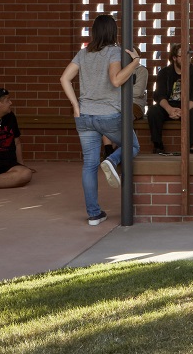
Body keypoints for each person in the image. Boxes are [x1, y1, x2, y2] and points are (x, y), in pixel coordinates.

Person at [59, 13, 142, 225]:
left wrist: (76, 106)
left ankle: (94, 215)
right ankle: (112, 160)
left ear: (94, 32)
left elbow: (64, 78)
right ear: (113, 31)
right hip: (109, 115)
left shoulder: (83, 53)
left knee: (89, 165)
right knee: (132, 145)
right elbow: (116, 81)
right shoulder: (114, 52)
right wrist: (135, 62)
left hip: (84, 116)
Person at [148, 45, 193, 155]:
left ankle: (191, 148)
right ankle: (158, 145)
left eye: (188, 56)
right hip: (170, 106)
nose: (186, 59)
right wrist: (169, 109)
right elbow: (159, 95)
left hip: (189, 105)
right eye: (182, 56)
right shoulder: (164, 73)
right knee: (153, 111)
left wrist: (183, 110)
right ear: (174, 58)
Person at [0, 88, 33, 200]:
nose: (11, 103)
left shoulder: (10, 117)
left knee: (26, 174)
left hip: (8, 164)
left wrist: (21, 164)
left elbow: (17, 142)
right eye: (7, 100)